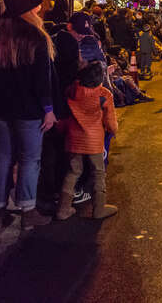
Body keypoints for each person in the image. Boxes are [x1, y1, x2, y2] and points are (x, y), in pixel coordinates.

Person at [0, 0, 56, 230]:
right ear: (26, 12)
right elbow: (41, 79)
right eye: (34, 7)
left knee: (3, 156)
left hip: (1, 109)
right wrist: (48, 109)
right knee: (30, 159)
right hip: (29, 109)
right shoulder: (36, 37)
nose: (38, 11)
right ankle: (28, 210)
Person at [55, 62, 118, 220]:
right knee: (98, 173)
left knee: (73, 172)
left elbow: (64, 112)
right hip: (94, 141)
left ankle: (63, 209)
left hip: (73, 139)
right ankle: (99, 209)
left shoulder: (71, 90)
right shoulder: (104, 95)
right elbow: (111, 123)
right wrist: (113, 130)